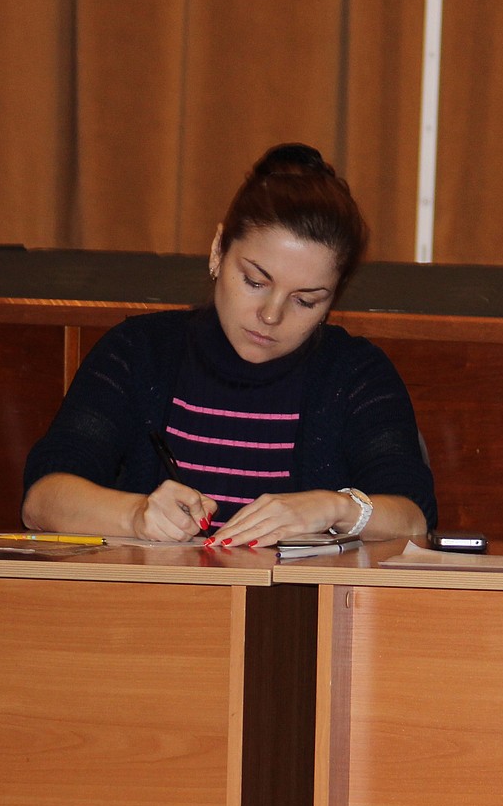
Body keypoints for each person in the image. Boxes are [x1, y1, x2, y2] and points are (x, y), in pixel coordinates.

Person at [23, 143, 436, 546]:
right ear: (218, 251)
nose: (271, 315)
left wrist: (336, 508)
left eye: (305, 300)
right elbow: (42, 500)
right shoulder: (139, 351)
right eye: (255, 281)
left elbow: (414, 518)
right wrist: (135, 515)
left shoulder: (356, 373)